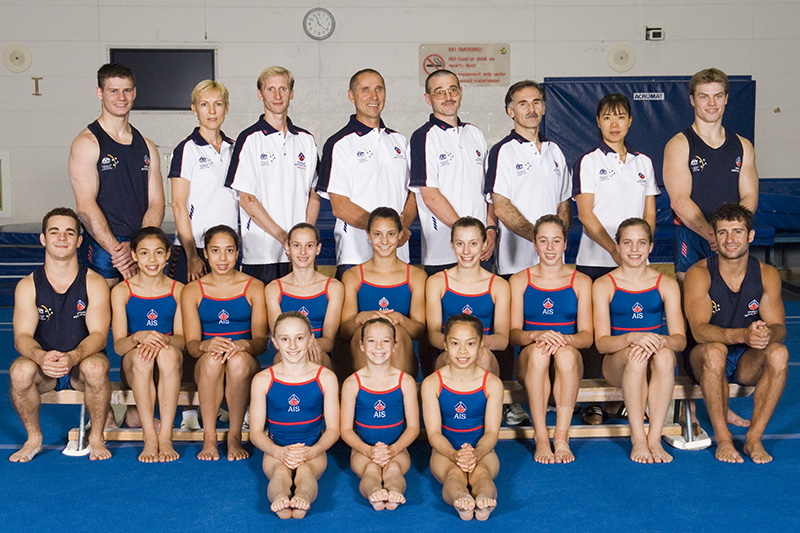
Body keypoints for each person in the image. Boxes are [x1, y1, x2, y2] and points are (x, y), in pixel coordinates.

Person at [684, 204, 787, 464]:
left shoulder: (767, 274)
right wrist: (743, 334)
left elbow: (779, 327)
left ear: (750, 236)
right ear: (715, 238)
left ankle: (754, 438)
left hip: (745, 359)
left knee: (779, 353)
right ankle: (725, 439)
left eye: (737, 232)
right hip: (704, 356)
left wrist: (765, 334)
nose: (730, 240)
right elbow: (699, 331)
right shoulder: (699, 273)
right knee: (715, 351)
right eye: (723, 233)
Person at [9, 207, 112, 462]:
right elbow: (22, 336)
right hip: (44, 368)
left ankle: (97, 436)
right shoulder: (28, 285)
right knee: (19, 371)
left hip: (81, 366)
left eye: (69, 233)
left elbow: (99, 335)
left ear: (78, 241)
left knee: (97, 368)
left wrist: (75, 356)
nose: (62, 238)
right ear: (43, 239)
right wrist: (40, 356)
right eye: (54, 232)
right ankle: (34, 439)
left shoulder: (94, 283)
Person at [592, 218, 686, 463]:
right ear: (618, 247)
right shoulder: (604, 284)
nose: (634, 250)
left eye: (641, 243)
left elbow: (679, 340)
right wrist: (632, 338)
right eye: (627, 243)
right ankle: (638, 437)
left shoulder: (666, 284)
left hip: (654, 363)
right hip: (617, 363)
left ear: (651, 247)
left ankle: (654, 437)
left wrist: (657, 341)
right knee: (636, 355)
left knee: (665, 355)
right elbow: (602, 343)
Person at [69, 63, 165, 286]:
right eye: (113, 91)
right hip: (105, 247)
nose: (121, 97)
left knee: (139, 314)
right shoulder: (88, 143)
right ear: (99, 93)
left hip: (139, 245)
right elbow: (84, 206)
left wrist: (140, 247)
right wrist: (118, 252)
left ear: (134, 92)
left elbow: (157, 202)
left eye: (127, 90)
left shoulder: (147, 146)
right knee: (101, 316)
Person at [316, 68, 416, 278]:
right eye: (365, 90)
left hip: (398, 256)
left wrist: (399, 231)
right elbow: (340, 206)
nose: (373, 97)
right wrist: (384, 233)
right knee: (358, 313)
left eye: (379, 89)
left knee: (400, 313)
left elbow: (412, 194)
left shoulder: (399, 141)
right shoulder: (339, 143)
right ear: (352, 96)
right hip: (356, 255)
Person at [510, 215, 593, 463]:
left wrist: (561, 340)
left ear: (566, 244)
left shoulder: (581, 281)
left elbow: (587, 337)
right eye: (543, 241)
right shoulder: (519, 280)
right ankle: (541, 437)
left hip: (568, 360)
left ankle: (560, 436)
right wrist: (537, 335)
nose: (549, 248)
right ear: (534, 244)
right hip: (531, 360)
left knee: (565, 354)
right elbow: (513, 335)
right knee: (539, 352)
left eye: (556, 241)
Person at [225, 66, 320, 286]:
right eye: (270, 89)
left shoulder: (306, 139)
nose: (277, 96)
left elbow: (314, 193)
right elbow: (246, 198)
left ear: (292, 93)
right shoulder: (249, 139)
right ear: (260, 94)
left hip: (300, 256)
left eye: (283, 89)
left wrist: (303, 241)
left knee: (300, 317)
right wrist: (282, 237)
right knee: (263, 319)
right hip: (261, 253)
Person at [663, 68, 758, 284]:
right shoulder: (679, 144)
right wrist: (711, 234)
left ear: (726, 99)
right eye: (704, 97)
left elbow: (750, 196)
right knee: (691, 304)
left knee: (732, 301)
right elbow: (679, 200)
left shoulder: (743, 146)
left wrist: (730, 233)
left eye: (717, 96)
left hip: (730, 238)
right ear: (692, 100)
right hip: (693, 235)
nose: (711, 103)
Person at [181, 225, 267, 461]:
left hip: (244, 359)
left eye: (229, 250)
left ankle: (234, 436)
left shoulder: (254, 287)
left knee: (237, 361)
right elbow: (190, 345)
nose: (222, 258)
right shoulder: (192, 290)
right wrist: (205, 346)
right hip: (208, 359)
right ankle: (209, 437)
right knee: (211, 361)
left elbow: (261, 343)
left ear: (237, 253)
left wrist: (243, 345)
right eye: (215, 251)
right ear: (205, 254)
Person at [249, 312, 340, 519]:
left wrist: (313, 450)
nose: (292, 345)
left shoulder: (325, 377)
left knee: (307, 473)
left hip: (313, 448)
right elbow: (255, 432)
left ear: (310, 339)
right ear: (275, 342)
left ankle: (303, 497)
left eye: (299, 338)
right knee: (279, 473)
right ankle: (280, 496)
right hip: (275, 449)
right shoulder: (263, 379)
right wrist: (277, 452)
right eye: (284, 339)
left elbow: (333, 429)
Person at [409, 69, 496, 274]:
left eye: (452, 90)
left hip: (481, 249)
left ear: (461, 92)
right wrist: (467, 238)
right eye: (439, 92)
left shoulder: (475, 133)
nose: (448, 97)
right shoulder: (423, 137)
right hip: (442, 251)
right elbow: (430, 197)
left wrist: (490, 230)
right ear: (427, 98)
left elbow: (490, 193)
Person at [110, 227, 184, 462]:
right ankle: (150, 436)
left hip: (168, 363)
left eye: (158, 253)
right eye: (144, 253)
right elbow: (119, 347)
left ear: (168, 255)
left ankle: (166, 436)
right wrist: (138, 337)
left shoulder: (179, 290)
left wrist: (161, 339)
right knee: (143, 357)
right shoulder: (122, 291)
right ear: (133, 256)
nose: (152, 260)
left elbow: (182, 341)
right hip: (135, 365)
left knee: (168, 355)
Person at [485, 80, 572, 277]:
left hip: (553, 264)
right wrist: (540, 239)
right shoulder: (502, 151)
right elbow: (501, 207)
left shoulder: (555, 150)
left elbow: (564, 202)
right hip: (514, 264)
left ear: (543, 108)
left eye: (536, 102)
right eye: (523, 103)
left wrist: (554, 242)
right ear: (511, 112)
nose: (531, 109)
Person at [421, 314, 503, 521]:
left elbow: (492, 432)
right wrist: (453, 454)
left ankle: (484, 498)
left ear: (481, 344)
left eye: (470, 343)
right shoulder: (432, 383)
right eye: (455, 343)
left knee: (482, 473)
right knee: (453, 474)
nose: (463, 351)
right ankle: (460, 499)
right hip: (444, 449)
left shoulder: (492, 384)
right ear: (445, 344)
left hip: (482, 449)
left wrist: (476, 453)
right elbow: (433, 434)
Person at [573, 93, 660, 280]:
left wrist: (639, 249)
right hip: (595, 261)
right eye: (607, 117)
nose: (614, 124)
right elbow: (585, 214)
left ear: (629, 121)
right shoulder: (588, 161)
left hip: (635, 261)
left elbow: (650, 214)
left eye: (620, 117)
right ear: (598, 121)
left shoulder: (643, 162)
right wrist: (614, 250)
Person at [340, 317, 420, 510]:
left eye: (385, 341)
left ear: (394, 346)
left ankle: (394, 491)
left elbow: (413, 427)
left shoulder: (405, 382)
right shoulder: (352, 383)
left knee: (394, 469)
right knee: (369, 470)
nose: (378, 346)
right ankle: (373, 491)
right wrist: (368, 451)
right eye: (371, 341)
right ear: (361, 345)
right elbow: (345, 430)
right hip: (363, 448)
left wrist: (393, 450)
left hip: (397, 447)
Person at [339, 208, 427, 377]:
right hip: (362, 352)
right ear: (368, 234)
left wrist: (400, 320)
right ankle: (366, 396)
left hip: (401, 350)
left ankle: (397, 395)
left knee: (395, 331)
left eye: (391, 234)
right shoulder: (353, 276)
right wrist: (361, 318)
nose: (384, 241)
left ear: (400, 234)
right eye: (378, 234)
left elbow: (420, 331)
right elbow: (344, 332)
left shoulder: (416, 276)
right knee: (367, 332)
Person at [169, 79, 239, 284]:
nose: (212, 111)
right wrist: (192, 255)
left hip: (227, 249)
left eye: (218, 104)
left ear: (226, 108)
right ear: (194, 109)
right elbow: (178, 204)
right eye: (204, 104)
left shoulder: (235, 149)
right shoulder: (186, 149)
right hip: (195, 248)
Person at [425, 217, 509, 376]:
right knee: (457, 358)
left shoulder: (499, 285)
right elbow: (433, 334)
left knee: (480, 355)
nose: (466, 251)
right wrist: (458, 348)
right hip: (447, 355)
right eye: (460, 243)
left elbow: (503, 339)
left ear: (484, 244)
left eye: (473, 243)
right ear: (452, 245)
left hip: (486, 357)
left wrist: (471, 346)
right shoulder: (437, 282)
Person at [264, 223, 344, 369]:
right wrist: (299, 347)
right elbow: (279, 338)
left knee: (311, 356)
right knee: (284, 358)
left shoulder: (333, 287)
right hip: (286, 352)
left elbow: (328, 341)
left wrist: (305, 347)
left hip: (319, 352)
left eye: (309, 246)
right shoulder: (273, 289)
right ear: (287, 248)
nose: (303, 252)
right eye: (296, 245)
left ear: (318, 249)